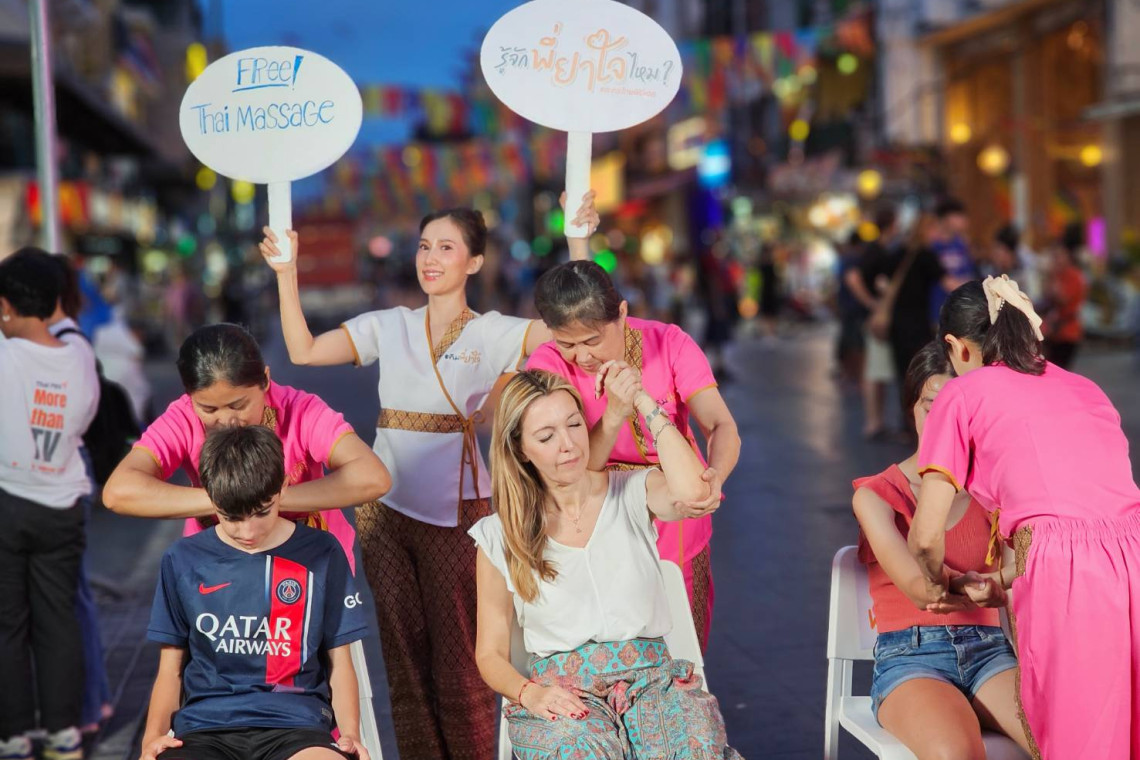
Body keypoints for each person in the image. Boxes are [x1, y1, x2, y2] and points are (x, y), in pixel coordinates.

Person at [259, 194, 599, 760]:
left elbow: (570, 328)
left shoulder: (492, 332)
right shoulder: (389, 324)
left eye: (446, 247)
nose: (431, 258)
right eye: (423, 247)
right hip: (384, 513)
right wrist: (286, 271)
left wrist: (577, 240)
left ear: (474, 262)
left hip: (460, 512)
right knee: (402, 656)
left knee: (461, 655)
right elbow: (305, 349)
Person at [909, 276, 1140, 759]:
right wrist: (1001, 583)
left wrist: (938, 585)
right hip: (1132, 556)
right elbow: (1083, 527)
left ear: (957, 347)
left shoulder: (962, 393)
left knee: (1077, 736)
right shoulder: (1085, 387)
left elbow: (927, 537)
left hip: (1064, 579)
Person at [470, 370, 742, 759]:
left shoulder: (632, 490)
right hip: (564, 693)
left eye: (574, 424)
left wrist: (643, 403)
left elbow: (695, 492)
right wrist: (529, 693)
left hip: (653, 682)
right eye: (546, 437)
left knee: (693, 749)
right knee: (580, 752)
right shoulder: (499, 535)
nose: (568, 445)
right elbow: (490, 654)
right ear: (520, 449)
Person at [526, 259, 739, 651]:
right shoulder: (547, 364)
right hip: (595, 513)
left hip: (674, 508)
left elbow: (720, 424)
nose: (581, 357)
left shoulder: (669, 343)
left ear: (621, 313)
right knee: (608, 649)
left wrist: (716, 475)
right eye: (567, 344)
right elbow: (567, 468)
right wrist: (614, 414)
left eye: (592, 341)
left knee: (682, 646)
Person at [139, 425, 370, 760]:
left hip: (297, 726)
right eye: (232, 517)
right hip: (205, 729)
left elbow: (340, 660)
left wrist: (350, 734)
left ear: (283, 487)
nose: (248, 531)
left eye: (262, 512)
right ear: (210, 497)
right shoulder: (182, 559)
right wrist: (152, 738)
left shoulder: (322, 552)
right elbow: (170, 669)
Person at [853, 342, 1029, 757]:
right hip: (911, 657)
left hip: (991, 651)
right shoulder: (875, 495)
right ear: (911, 408)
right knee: (957, 754)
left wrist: (999, 584)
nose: (944, 422)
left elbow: (1015, 570)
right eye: (931, 407)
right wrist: (982, 584)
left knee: (1065, 739)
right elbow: (920, 588)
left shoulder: (993, 488)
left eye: (958, 411)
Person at [103, 323, 390, 573]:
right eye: (209, 409)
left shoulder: (301, 410)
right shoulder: (183, 418)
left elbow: (372, 478)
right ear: (189, 396)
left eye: (238, 405)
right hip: (220, 573)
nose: (227, 420)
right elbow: (119, 492)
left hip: (311, 567)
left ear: (265, 380)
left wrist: (269, 501)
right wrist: (228, 501)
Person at [0, 249, 100, 760]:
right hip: (62, 505)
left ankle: (13, 735)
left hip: (8, 503)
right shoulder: (79, 353)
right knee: (58, 621)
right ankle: (64, 734)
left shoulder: (7, 355)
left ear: (5, 306)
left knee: (8, 624)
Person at [45, 253, 114, 736]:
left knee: (72, 597)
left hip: (62, 473)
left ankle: (90, 704)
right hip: (64, 472)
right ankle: (93, 702)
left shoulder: (67, 343)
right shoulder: (66, 339)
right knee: (75, 595)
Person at [848, 207, 900, 439]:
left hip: (873, 315)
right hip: (873, 317)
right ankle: (873, 422)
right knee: (874, 369)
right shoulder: (876, 251)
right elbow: (853, 278)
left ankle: (876, 420)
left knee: (877, 370)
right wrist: (871, 303)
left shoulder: (879, 249)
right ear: (892, 225)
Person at [1042, 223, 1087, 369]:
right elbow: (1046, 296)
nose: (1056, 260)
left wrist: (1052, 277)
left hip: (1068, 332)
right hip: (1054, 332)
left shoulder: (1074, 276)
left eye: (1058, 256)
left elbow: (1062, 299)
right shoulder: (1058, 274)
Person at [929, 197, 978, 323]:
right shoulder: (933, 247)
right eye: (958, 216)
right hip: (939, 309)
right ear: (946, 218)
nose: (963, 220)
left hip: (962, 310)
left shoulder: (962, 245)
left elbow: (970, 273)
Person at [835, 231, 868, 386]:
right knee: (855, 343)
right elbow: (853, 281)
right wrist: (869, 302)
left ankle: (849, 373)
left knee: (848, 340)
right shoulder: (853, 259)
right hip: (854, 309)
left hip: (848, 307)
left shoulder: (846, 259)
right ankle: (856, 374)